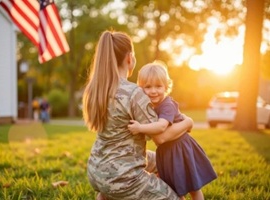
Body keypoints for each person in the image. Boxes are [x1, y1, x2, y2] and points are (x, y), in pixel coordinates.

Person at [82, 30, 193, 200]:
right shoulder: (134, 93)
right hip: (122, 177)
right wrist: (188, 122)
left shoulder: (95, 89)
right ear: (129, 58)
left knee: (163, 160)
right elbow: (160, 138)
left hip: (96, 169)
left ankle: (106, 194)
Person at [128, 61, 217, 200]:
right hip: (166, 152)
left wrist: (140, 128)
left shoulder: (167, 105)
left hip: (180, 149)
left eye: (158, 86)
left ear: (166, 87)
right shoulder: (149, 106)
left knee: (193, 188)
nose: (153, 91)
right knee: (174, 190)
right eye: (148, 87)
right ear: (141, 88)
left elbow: (162, 126)